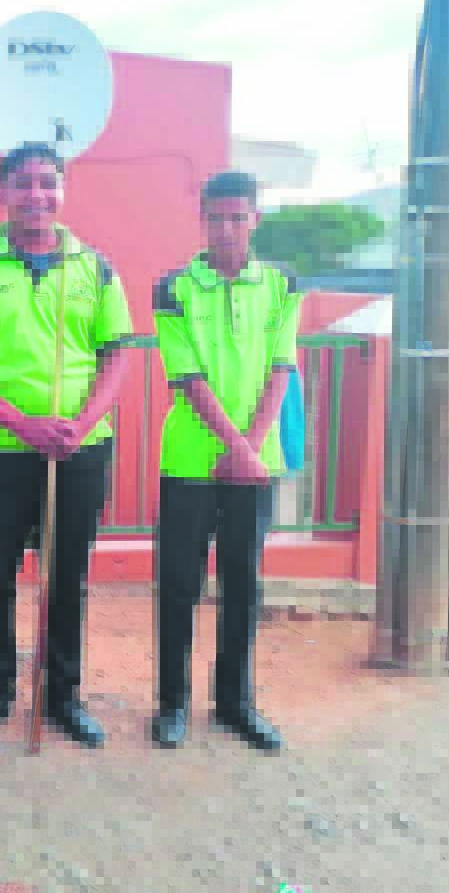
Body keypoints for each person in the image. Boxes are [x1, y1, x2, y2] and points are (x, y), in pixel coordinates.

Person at [0, 142, 133, 749]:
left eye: (47, 182)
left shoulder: (96, 269)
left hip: (78, 451)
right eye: (23, 183)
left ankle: (62, 694)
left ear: (62, 190)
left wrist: (79, 425)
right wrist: (23, 424)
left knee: (66, 576)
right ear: (2, 191)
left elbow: (116, 355)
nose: (36, 195)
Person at [149, 169, 300, 753]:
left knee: (242, 583)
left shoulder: (283, 285)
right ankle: (172, 704)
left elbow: (280, 367)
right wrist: (237, 448)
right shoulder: (172, 289)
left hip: (255, 466)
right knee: (178, 584)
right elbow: (187, 377)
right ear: (202, 220)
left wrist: (251, 449)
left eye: (239, 218)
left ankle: (236, 704)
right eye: (217, 218)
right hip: (190, 460)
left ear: (255, 219)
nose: (228, 229)